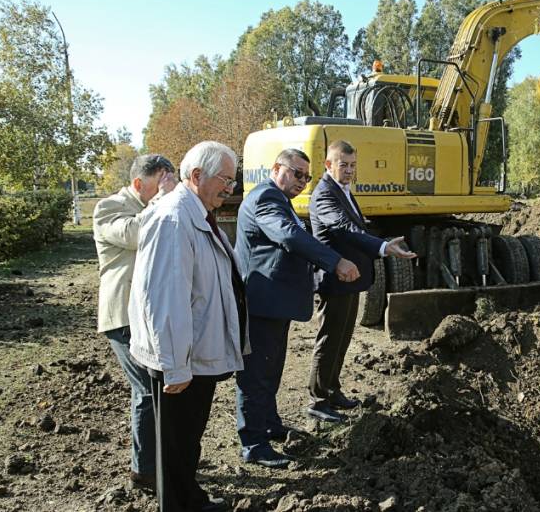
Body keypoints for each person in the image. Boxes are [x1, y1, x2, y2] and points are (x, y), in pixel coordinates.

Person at [128, 141, 249, 512]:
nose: (230, 188)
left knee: (186, 440)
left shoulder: (194, 212)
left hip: (194, 351)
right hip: (183, 358)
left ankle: (188, 498)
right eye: (224, 180)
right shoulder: (175, 219)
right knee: (177, 441)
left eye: (232, 180)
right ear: (196, 176)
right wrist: (175, 364)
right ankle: (180, 505)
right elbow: (165, 299)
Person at [234, 148, 359, 468]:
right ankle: (254, 443)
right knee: (256, 373)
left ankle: (269, 425)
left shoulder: (280, 200)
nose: (303, 181)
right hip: (260, 304)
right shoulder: (266, 198)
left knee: (271, 368)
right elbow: (288, 235)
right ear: (277, 168)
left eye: (307, 176)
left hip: (273, 304)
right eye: (297, 173)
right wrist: (334, 261)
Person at [307, 140, 416, 422]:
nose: (349, 170)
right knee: (329, 339)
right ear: (328, 165)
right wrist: (381, 246)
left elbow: (355, 228)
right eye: (344, 165)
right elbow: (344, 229)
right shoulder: (324, 194)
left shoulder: (343, 191)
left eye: (353, 165)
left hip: (350, 279)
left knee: (342, 339)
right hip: (336, 278)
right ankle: (318, 401)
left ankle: (332, 389)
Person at [93, 154, 176, 492]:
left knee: (160, 390)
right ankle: (144, 472)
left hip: (152, 313)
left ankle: (162, 462)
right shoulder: (108, 207)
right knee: (147, 390)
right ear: (140, 184)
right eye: (161, 184)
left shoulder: (157, 205)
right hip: (124, 316)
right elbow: (135, 234)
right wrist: (161, 200)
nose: (168, 191)